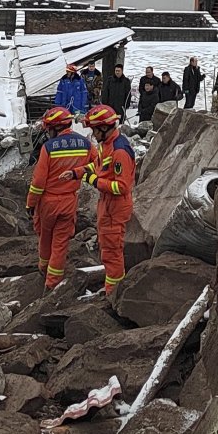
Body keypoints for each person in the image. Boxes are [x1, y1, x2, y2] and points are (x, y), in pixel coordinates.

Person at [25, 107, 93, 289]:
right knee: (61, 242)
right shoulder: (85, 144)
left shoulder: (48, 148)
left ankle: (43, 268)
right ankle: (53, 283)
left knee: (45, 236)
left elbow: (38, 182)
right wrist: (79, 173)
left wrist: (30, 204)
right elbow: (97, 164)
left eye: (48, 129)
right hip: (69, 200)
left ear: (55, 128)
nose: (47, 132)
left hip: (48, 202)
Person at [82, 104, 136, 295]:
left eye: (95, 130)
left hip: (115, 207)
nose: (93, 134)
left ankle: (114, 294)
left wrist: (95, 181)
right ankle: (112, 288)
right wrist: (78, 172)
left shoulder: (119, 151)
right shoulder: (107, 145)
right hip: (108, 205)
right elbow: (98, 165)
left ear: (104, 127)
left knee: (112, 252)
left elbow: (121, 187)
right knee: (107, 249)